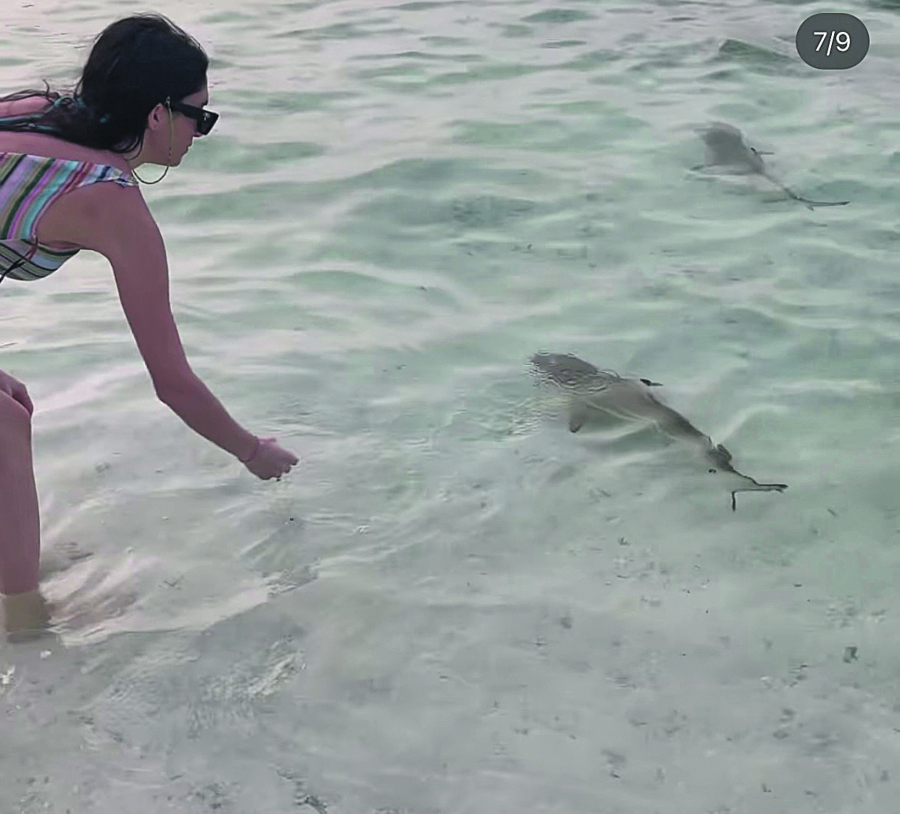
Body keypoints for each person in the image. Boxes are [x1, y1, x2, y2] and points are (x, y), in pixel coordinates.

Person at [0, 14, 299, 638]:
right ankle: (26, 627)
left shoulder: (38, 111)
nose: (202, 133)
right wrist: (251, 451)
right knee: (3, 427)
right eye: (200, 116)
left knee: (9, 410)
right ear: (159, 114)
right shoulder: (109, 201)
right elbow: (173, 382)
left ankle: (15, 579)